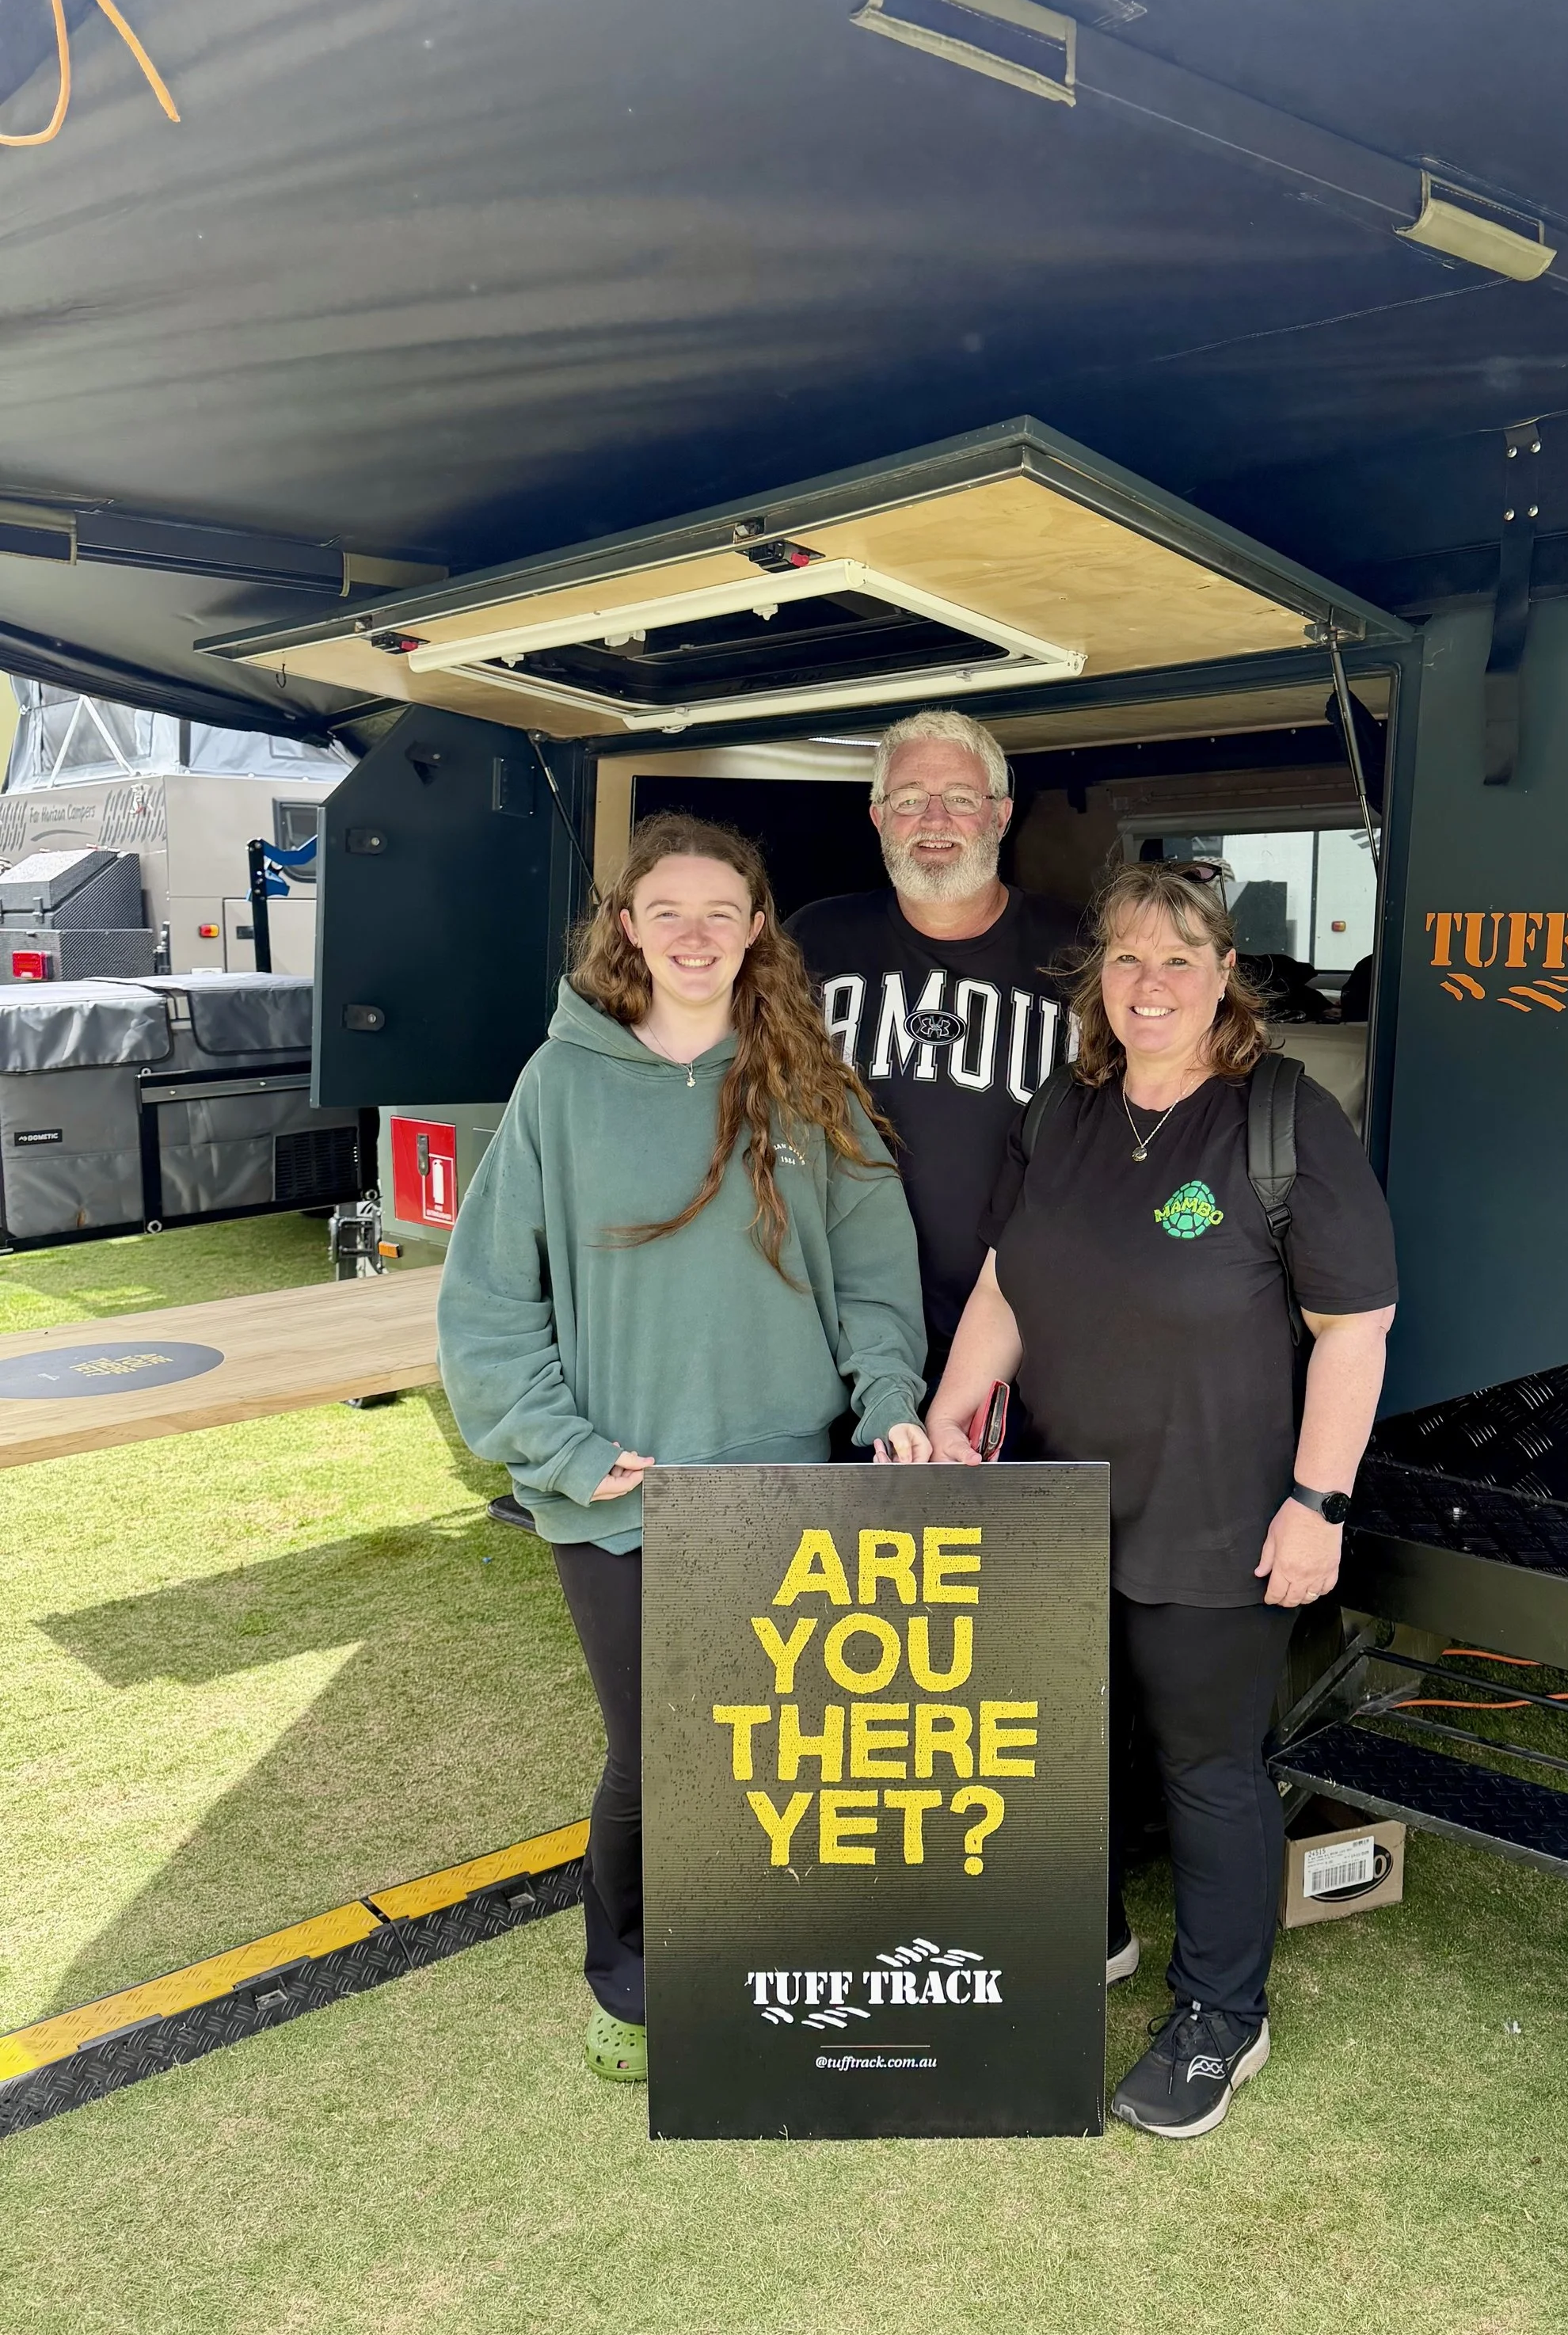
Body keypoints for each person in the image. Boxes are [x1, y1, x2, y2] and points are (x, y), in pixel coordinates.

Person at [438, 813, 929, 2088]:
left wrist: (886, 1398)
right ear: (626, 929)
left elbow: (875, 1267)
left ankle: (776, 1957)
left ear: (758, 928)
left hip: (788, 1472)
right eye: (671, 912)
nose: (698, 934)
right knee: (659, 1751)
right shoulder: (561, 1084)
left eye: (724, 911)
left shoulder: (806, 1077)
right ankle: (636, 1979)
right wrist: (560, 1443)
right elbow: (490, 1301)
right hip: (621, 1486)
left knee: (782, 1742)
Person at [927, 859, 1397, 2140]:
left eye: (1180, 958)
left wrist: (1319, 1501)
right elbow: (1003, 1287)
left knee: (1207, 1768)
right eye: (1127, 957)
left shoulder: (1285, 1119)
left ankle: (1219, 2014)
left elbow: (1354, 1329)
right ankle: (1094, 1934)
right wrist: (953, 1419)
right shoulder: (1064, 1107)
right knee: (1060, 1737)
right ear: (1098, 980)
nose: (1152, 982)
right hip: (1059, 1501)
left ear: (1225, 974)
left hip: (1217, 1512)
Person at [790, 710, 1081, 1376]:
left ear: (1001, 815)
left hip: (1026, 1323)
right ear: (877, 817)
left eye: (959, 799)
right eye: (909, 799)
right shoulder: (813, 940)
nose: (934, 820)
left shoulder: (1080, 950)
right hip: (844, 1322)